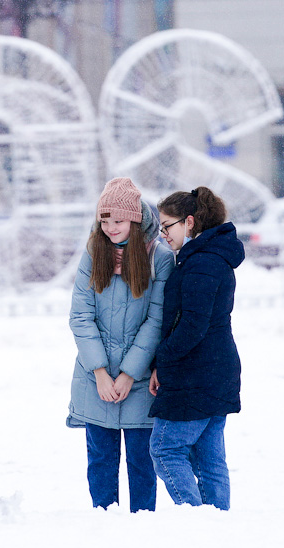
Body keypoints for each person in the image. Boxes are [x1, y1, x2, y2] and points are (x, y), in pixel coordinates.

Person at [68, 177, 175, 512]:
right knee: (100, 461)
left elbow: (156, 322)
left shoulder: (159, 258)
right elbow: (80, 317)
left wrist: (129, 374)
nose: (110, 228)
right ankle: (104, 527)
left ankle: (142, 531)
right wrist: (100, 372)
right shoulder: (92, 253)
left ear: (134, 219)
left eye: (117, 220)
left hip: (140, 382)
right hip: (93, 378)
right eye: (104, 220)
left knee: (142, 464)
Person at [148, 186, 245, 510]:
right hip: (215, 369)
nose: (163, 235)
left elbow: (192, 325)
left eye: (167, 226)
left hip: (197, 374)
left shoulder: (201, 262)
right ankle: (217, 525)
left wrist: (161, 358)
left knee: (165, 451)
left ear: (189, 222)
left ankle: (194, 516)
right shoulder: (209, 256)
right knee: (208, 457)